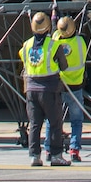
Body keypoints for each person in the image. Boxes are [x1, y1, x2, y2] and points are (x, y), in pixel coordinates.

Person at [21, 11, 69, 167]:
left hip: (31, 90)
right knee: (55, 124)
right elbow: (64, 66)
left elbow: (25, 62)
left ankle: (34, 156)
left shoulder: (26, 45)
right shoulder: (54, 45)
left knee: (35, 124)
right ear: (48, 28)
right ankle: (56, 156)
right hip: (49, 89)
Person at [52, 14, 88, 162]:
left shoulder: (55, 40)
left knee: (53, 120)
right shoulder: (80, 42)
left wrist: (54, 16)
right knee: (76, 121)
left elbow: (54, 31)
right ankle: (74, 150)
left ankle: (49, 149)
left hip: (59, 86)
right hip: (75, 87)